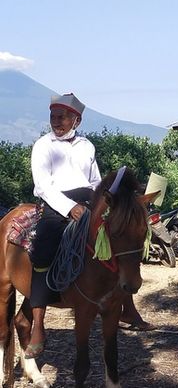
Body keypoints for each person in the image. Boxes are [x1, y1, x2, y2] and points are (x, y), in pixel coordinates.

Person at [28, 93, 101, 358]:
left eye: (62, 117)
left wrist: (98, 204)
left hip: (88, 201)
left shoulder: (87, 146)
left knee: (116, 239)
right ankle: (38, 324)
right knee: (43, 249)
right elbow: (43, 186)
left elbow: (95, 181)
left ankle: (123, 304)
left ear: (76, 120)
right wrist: (70, 208)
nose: (56, 122)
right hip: (57, 205)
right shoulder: (43, 145)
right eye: (53, 117)